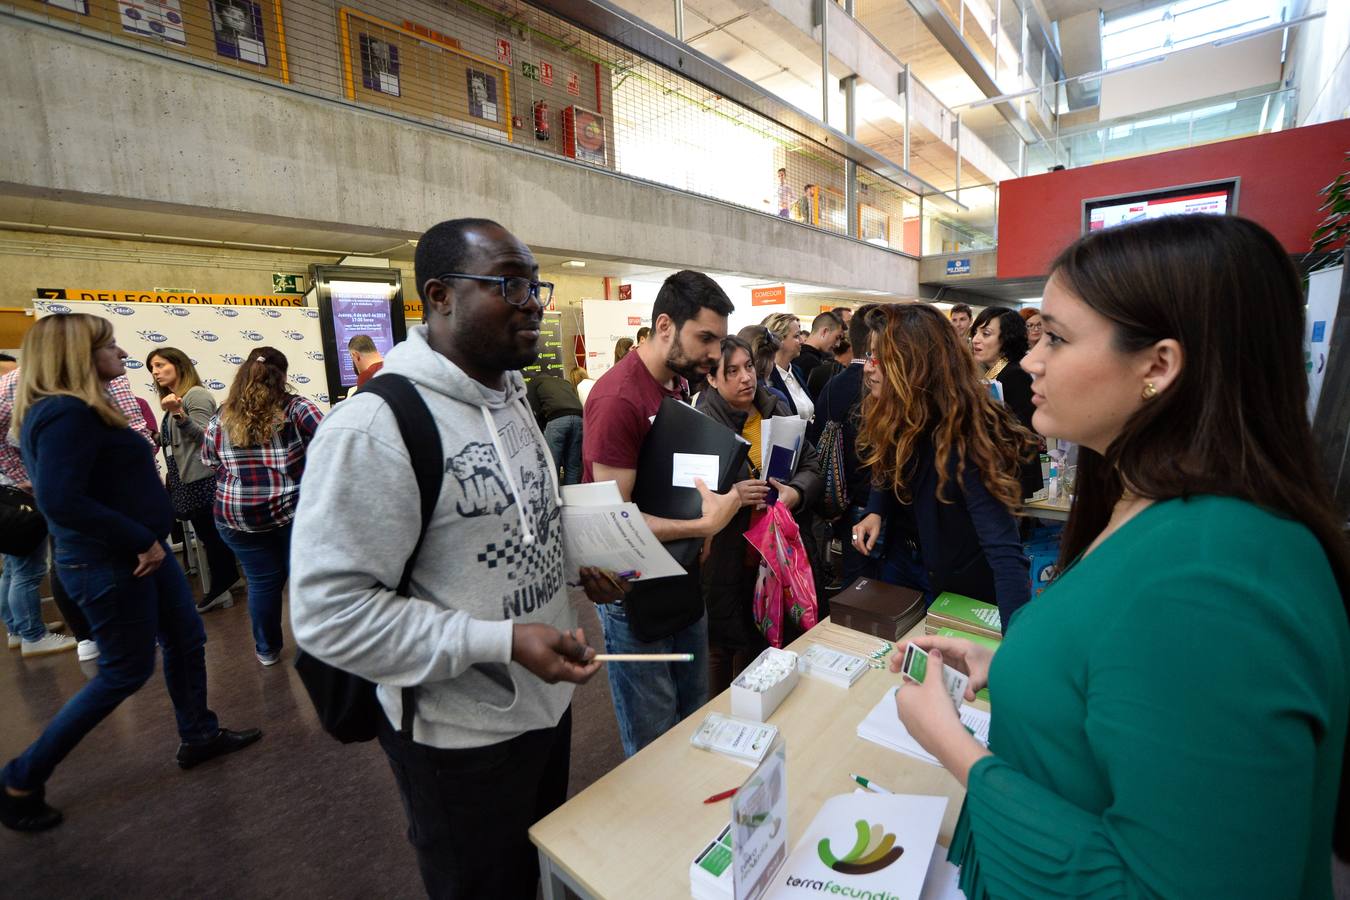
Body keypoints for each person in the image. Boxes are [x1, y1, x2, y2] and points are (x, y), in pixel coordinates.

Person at [891, 216, 1350, 897]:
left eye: (1057, 337)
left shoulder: (1211, 581)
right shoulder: (1154, 504)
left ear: (1158, 365)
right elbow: (1124, 679)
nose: (1028, 360)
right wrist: (1020, 669)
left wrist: (955, 748)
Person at [290, 218, 614, 898]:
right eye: (509, 283)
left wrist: (577, 561)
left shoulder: (513, 397)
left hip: (547, 711)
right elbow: (328, 616)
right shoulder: (373, 429)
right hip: (458, 744)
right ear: (439, 296)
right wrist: (499, 641)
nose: (532, 301)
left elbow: (510, 521)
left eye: (535, 284)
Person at [0, 314, 260, 833]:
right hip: (114, 560)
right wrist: (139, 538)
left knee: (187, 640)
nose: (122, 355)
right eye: (110, 347)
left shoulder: (80, 409)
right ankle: (20, 777)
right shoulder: (64, 414)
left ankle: (199, 733)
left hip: (144, 555)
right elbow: (60, 499)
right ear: (79, 355)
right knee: (125, 670)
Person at [583, 269, 741, 757]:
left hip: (679, 579)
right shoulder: (617, 398)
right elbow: (614, 523)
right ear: (666, 325)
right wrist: (704, 523)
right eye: (706, 338)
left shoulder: (674, 385)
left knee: (693, 718)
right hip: (632, 593)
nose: (715, 354)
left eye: (719, 340)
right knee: (654, 741)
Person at [853, 304, 1032, 626]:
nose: (868, 368)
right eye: (869, 355)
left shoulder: (967, 434)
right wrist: (876, 509)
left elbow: (1004, 551)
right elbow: (888, 463)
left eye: (880, 358)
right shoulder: (896, 410)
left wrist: (1016, 651)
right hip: (901, 558)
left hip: (956, 580)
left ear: (916, 363)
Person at [695, 336, 821, 693]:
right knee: (723, 647)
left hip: (777, 554)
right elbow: (692, 496)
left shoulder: (776, 407)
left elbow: (810, 462)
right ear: (713, 379)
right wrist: (734, 497)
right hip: (727, 558)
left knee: (771, 643)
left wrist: (794, 492)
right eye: (731, 371)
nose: (745, 378)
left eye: (748, 367)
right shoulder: (701, 425)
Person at [202, 347, 323, 667]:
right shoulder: (297, 408)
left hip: (234, 517)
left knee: (262, 582)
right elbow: (334, 442)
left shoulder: (222, 414)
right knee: (304, 581)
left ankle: (267, 650)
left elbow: (209, 461)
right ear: (282, 376)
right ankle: (318, 650)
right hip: (288, 513)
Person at [147, 347, 239, 613]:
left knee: (212, 536)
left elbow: (205, 438)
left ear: (179, 365)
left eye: (160, 365)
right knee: (209, 535)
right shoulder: (175, 399)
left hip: (203, 479)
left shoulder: (195, 395)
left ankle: (222, 587)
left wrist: (178, 414)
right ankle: (229, 582)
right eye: (152, 367)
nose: (155, 372)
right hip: (187, 480)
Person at [0, 367, 77, 658]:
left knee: (13, 567)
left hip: (7, 495)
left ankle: (18, 629)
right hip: (18, 492)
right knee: (28, 570)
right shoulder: (12, 407)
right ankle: (33, 634)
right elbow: (24, 440)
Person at [971, 306, 1042, 499]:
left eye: (985, 334)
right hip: (998, 477)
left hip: (1010, 480)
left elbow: (1026, 434)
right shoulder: (994, 372)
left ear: (1006, 339)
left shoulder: (1015, 374)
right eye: (976, 332)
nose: (976, 339)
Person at [526, 372, 584, 485]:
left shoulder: (533, 383)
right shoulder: (563, 382)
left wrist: (540, 431)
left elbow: (535, 411)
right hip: (579, 418)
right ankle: (572, 498)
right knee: (572, 465)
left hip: (557, 419)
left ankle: (554, 499)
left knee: (552, 465)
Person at [761, 313, 813, 421]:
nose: (802, 341)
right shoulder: (767, 378)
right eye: (796, 336)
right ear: (779, 340)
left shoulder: (797, 371)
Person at [795, 311, 841, 387]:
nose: (837, 344)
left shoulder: (816, 358)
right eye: (836, 338)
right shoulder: (811, 362)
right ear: (824, 332)